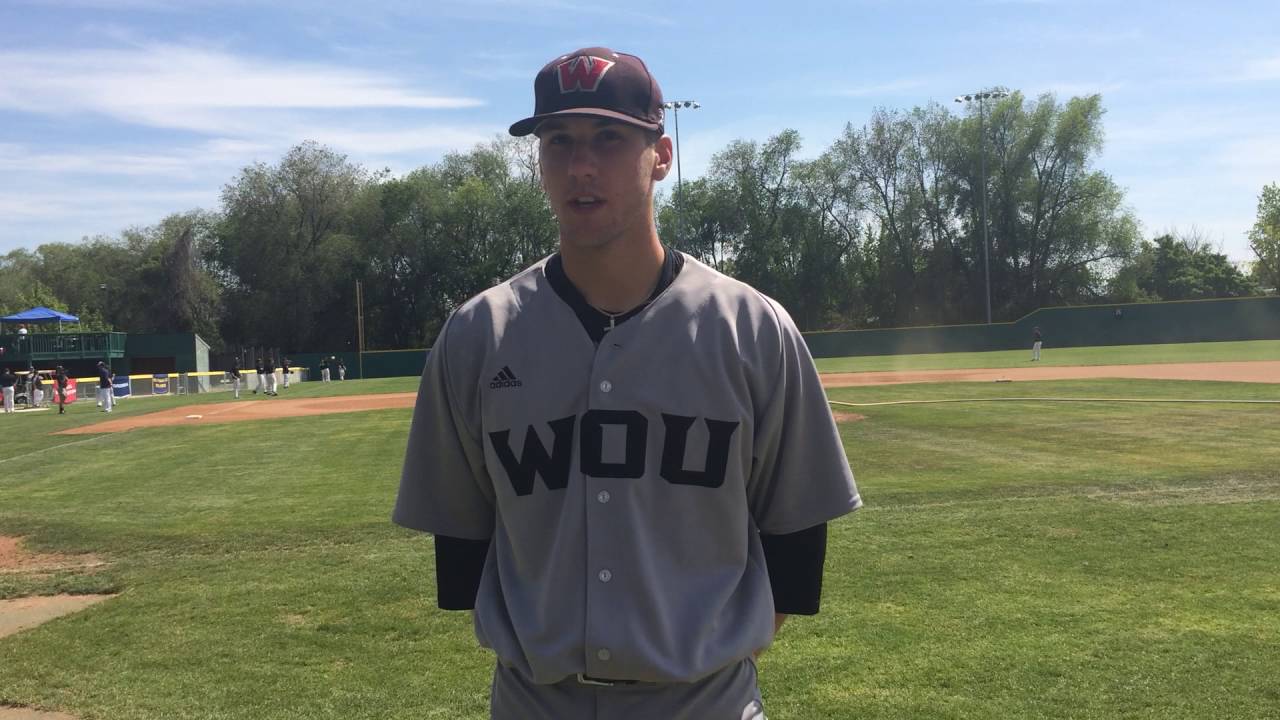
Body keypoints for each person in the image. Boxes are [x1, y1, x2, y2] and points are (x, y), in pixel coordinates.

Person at [393, 47, 861, 720]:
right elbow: (464, 549)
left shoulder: (751, 328)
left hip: (706, 703)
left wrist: (694, 657)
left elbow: (795, 545)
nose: (581, 166)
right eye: (559, 142)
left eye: (609, 140)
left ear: (660, 156)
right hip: (533, 703)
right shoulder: (478, 334)